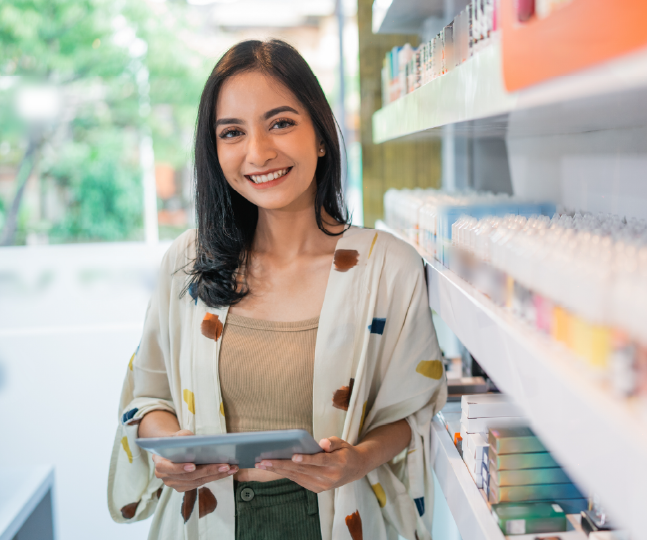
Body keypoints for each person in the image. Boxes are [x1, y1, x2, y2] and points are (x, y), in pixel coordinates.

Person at [107, 39, 446, 540]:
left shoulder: (387, 267)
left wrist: (355, 462)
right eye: (232, 132)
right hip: (211, 519)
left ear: (322, 136)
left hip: (331, 519)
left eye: (281, 123)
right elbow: (149, 394)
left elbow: (412, 408)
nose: (258, 152)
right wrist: (171, 456)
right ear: (214, 149)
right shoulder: (189, 261)